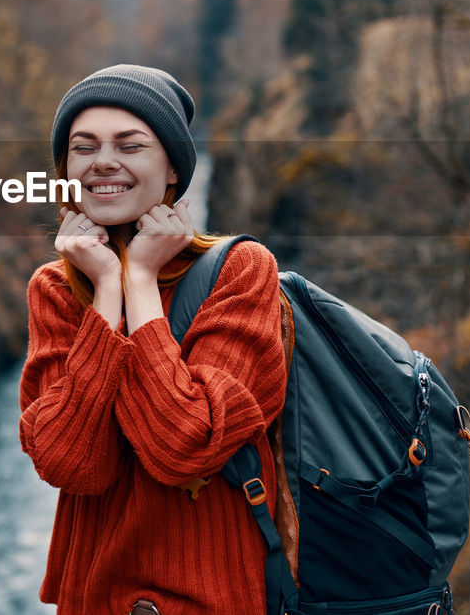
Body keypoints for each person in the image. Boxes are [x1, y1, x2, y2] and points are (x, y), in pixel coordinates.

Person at [18, 64, 286, 615]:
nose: (103, 162)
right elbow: (73, 465)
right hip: (92, 599)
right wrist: (105, 296)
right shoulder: (54, 288)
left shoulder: (240, 271)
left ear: (171, 171)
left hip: (211, 599)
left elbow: (185, 447)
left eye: (130, 145)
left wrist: (138, 282)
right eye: (82, 146)